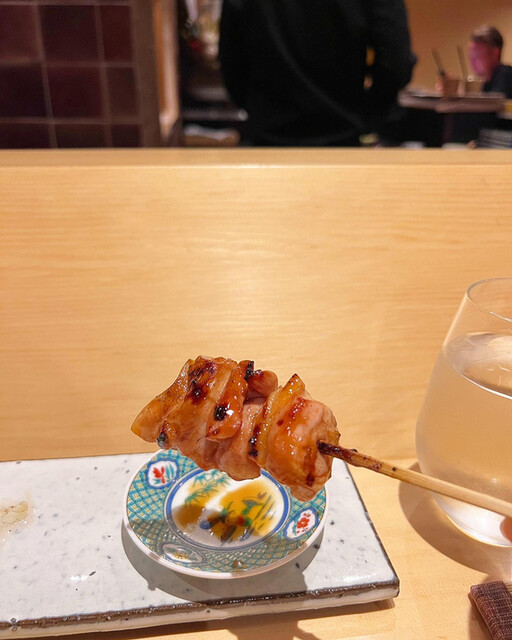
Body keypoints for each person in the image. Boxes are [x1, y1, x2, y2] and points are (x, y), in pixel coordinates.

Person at [218, 0, 414, 146]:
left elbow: (231, 60)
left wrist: (257, 109)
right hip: (344, 138)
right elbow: (395, 61)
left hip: (267, 137)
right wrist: (368, 114)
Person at [468, 25, 512, 98]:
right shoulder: (487, 82)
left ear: (495, 53)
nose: (472, 62)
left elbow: (492, 103)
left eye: (477, 56)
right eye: (471, 57)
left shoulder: (506, 76)